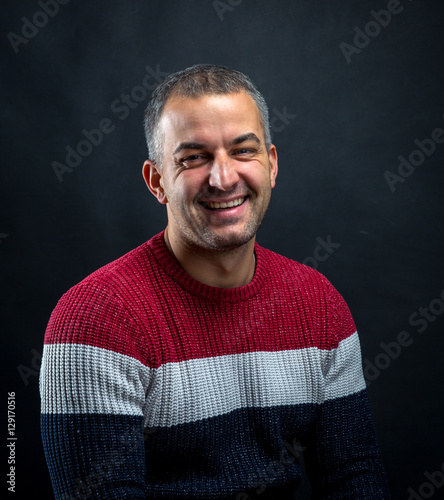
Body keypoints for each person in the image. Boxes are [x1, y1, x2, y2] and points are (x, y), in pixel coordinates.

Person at [40, 64, 391, 499]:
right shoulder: (95, 321)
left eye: (244, 151)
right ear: (157, 182)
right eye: (193, 158)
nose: (223, 178)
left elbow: (354, 479)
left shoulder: (319, 305)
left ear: (272, 165)